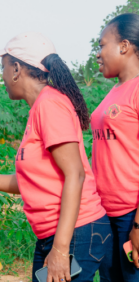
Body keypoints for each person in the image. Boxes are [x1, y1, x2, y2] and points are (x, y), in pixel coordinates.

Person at [0, 32, 111, 282]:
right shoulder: (40, 107)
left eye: (3, 68)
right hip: (58, 234)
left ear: (16, 69)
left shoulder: (50, 105)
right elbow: (33, 182)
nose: (2, 76)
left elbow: (75, 175)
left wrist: (60, 249)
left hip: (76, 232)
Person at [92, 13, 139, 281]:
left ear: (124, 45)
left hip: (130, 214)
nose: (98, 54)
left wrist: (138, 225)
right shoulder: (113, 91)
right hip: (103, 213)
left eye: (101, 45)